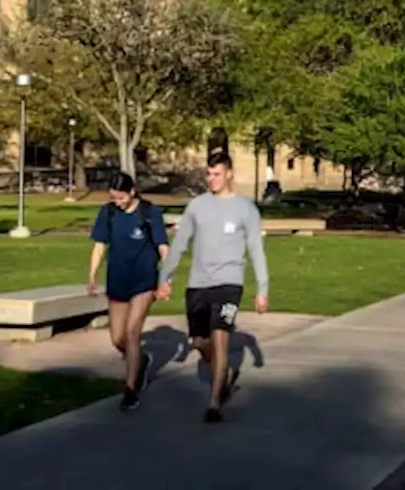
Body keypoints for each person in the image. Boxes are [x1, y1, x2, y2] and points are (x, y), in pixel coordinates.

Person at [157, 153, 269, 424]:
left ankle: (215, 401)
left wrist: (262, 288)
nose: (211, 179)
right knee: (199, 341)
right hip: (199, 283)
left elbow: (256, 250)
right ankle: (223, 369)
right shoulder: (197, 206)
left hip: (230, 283)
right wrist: (165, 278)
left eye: (216, 174)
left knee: (220, 335)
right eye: (208, 174)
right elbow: (181, 244)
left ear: (229, 173)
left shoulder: (246, 209)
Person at [87, 171, 170, 412]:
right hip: (118, 281)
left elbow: (163, 247)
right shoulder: (108, 213)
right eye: (114, 198)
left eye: (121, 197)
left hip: (144, 281)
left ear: (132, 191)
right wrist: (92, 274)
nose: (118, 202)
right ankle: (141, 360)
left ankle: (131, 389)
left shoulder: (150, 213)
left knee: (133, 333)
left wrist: (166, 279)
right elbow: (99, 245)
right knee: (118, 338)